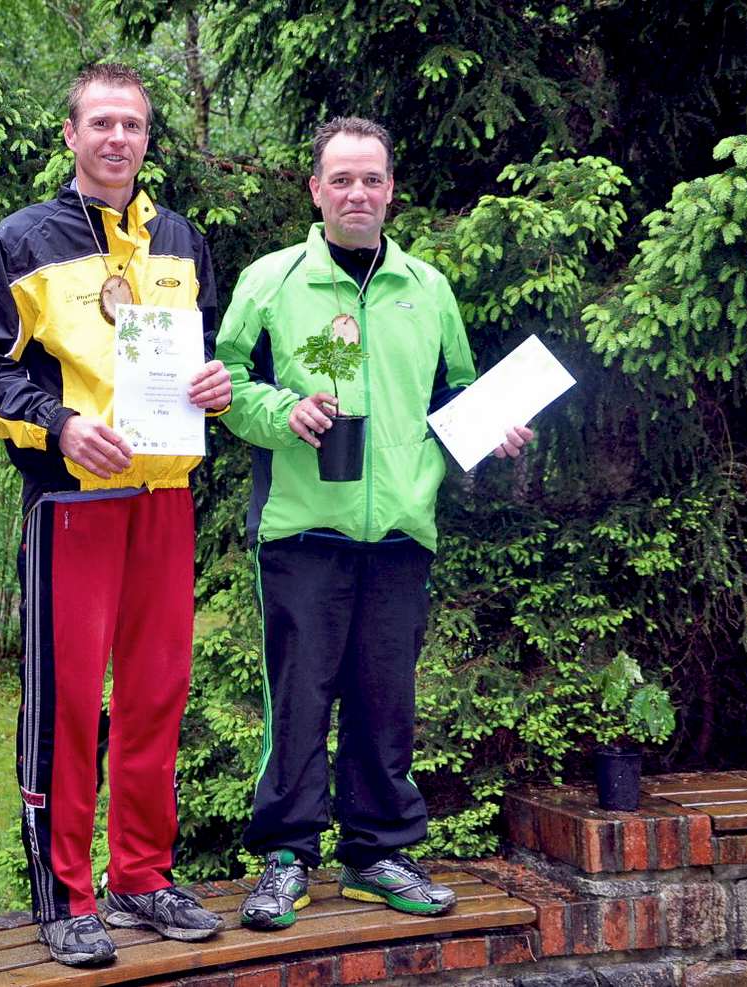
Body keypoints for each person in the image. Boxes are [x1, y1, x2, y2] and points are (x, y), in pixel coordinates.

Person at [214, 117, 533, 929]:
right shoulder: (270, 281)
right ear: (315, 190)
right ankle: (285, 857)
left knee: (384, 699)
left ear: (390, 191)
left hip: (399, 527)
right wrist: (283, 411)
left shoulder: (427, 288)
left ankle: (376, 854)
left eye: (371, 179)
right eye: (341, 179)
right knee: (298, 697)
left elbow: (454, 395)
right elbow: (224, 388)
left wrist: (491, 430)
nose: (356, 193)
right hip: (301, 528)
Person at [0, 63, 232, 967]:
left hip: (164, 498)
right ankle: (64, 895)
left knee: (155, 695)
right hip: (73, 503)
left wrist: (217, 385)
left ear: (147, 138)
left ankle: (141, 876)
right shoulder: (20, 241)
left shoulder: (180, 239)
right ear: (70, 135)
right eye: (101, 123)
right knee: (69, 704)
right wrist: (60, 425)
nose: (118, 138)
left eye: (133, 125)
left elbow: (203, 353)